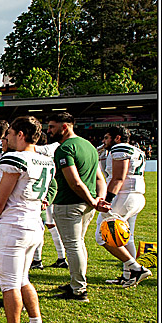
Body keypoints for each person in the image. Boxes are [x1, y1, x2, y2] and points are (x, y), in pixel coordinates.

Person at [0, 116, 54, 323]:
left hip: (15, 225)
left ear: (21, 135)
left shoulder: (15, 159)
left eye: (10, 133)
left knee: (9, 284)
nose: (7, 137)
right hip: (35, 223)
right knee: (23, 279)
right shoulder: (46, 161)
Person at [45, 112, 110, 302]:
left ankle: (79, 290)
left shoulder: (65, 149)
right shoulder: (88, 146)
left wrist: (93, 200)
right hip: (86, 205)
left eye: (52, 127)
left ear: (65, 127)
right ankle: (76, 282)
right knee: (79, 244)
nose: (49, 131)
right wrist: (99, 199)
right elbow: (100, 178)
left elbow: (74, 182)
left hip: (69, 203)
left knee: (73, 246)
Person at [97, 126, 151, 288]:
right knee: (128, 237)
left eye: (107, 138)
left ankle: (136, 268)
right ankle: (128, 275)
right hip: (135, 196)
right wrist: (100, 156)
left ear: (117, 138)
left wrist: (107, 200)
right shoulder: (136, 150)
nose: (104, 141)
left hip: (124, 196)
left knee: (102, 235)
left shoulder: (120, 148)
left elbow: (118, 178)